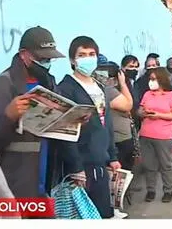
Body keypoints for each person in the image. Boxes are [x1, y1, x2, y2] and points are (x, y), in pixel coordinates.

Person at [0, 26, 65, 199]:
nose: (46, 63)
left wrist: (75, 121)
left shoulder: (49, 83)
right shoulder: (2, 86)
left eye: (50, 59)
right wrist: (8, 117)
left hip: (44, 186)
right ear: (24, 55)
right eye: (42, 58)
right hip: (15, 189)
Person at [56, 36, 121, 219]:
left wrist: (112, 156)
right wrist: (76, 167)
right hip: (83, 165)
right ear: (72, 60)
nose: (88, 58)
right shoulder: (66, 89)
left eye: (92, 54)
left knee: (103, 213)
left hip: (101, 161)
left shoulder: (99, 87)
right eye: (82, 55)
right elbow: (64, 132)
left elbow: (106, 123)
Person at [138, 67, 172, 203]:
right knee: (149, 165)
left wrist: (159, 115)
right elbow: (139, 110)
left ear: (161, 79)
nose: (151, 82)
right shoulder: (147, 94)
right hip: (146, 134)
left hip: (164, 136)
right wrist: (143, 113)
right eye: (150, 79)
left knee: (165, 165)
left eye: (153, 79)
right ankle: (150, 190)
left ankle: (168, 191)